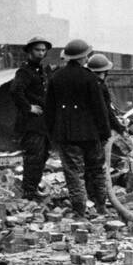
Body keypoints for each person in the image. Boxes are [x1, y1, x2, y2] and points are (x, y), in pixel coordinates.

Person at [45, 38, 112, 217]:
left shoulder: (55, 77)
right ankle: (101, 207)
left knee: (74, 173)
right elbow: (100, 109)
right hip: (91, 134)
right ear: (83, 57)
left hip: (66, 134)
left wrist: (52, 134)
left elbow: (49, 109)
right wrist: (105, 133)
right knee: (97, 170)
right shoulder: (90, 78)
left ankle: (79, 210)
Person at [10, 36, 53, 201]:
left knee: (42, 156)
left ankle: (33, 188)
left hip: (42, 123)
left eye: (43, 50)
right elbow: (15, 91)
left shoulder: (40, 70)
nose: (41, 53)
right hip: (31, 123)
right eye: (37, 50)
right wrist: (29, 108)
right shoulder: (25, 71)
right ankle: (29, 192)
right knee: (34, 156)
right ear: (29, 51)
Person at [86, 53, 127, 136]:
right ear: (105, 71)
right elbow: (106, 111)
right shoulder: (100, 87)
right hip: (99, 130)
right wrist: (119, 128)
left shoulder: (85, 83)